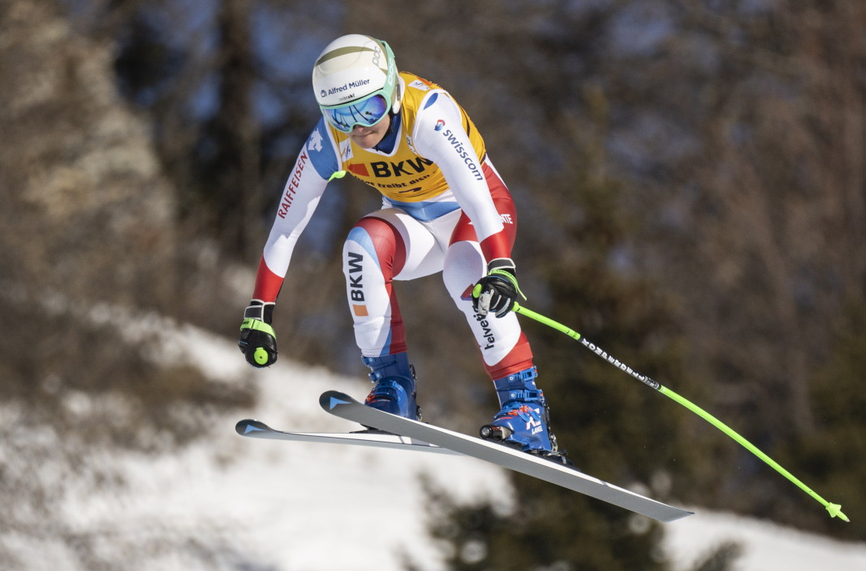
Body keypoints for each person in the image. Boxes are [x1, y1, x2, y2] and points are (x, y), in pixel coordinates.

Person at [238, 34, 562, 457]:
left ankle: (526, 408)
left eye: (369, 108)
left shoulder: (427, 115)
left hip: (478, 215)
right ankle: (394, 391)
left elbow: (479, 199)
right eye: (341, 116)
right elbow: (285, 228)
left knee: (464, 270)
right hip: (417, 224)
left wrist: (500, 265)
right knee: (361, 246)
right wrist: (259, 311)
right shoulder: (330, 141)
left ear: (391, 91)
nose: (358, 127)